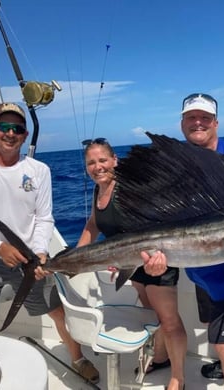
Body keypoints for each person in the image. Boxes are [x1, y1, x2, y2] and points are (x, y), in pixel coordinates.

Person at [143, 93, 224, 390]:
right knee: (215, 331)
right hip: (199, 268)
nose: (198, 123)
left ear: (216, 122)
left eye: (205, 118)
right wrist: (156, 261)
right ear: (182, 123)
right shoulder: (178, 165)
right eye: (191, 118)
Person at [0, 102, 99, 383]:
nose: (9, 133)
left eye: (16, 128)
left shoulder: (39, 170)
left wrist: (40, 251)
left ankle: (77, 357)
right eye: (2, 127)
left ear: (25, 135)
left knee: (55, 309)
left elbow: (44, 218)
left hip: (31, 258)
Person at [77, 138, 187, 390]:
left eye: (103, 160)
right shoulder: (98, 190)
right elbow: (94, 225)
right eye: (91, 163)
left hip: (157, 261)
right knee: (152, 315)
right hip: (130, 264)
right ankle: (160, 358)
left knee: (169, 321)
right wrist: (74, 257)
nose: (98, 167)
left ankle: (178, 378)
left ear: (115, 160)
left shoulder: (128, 188)